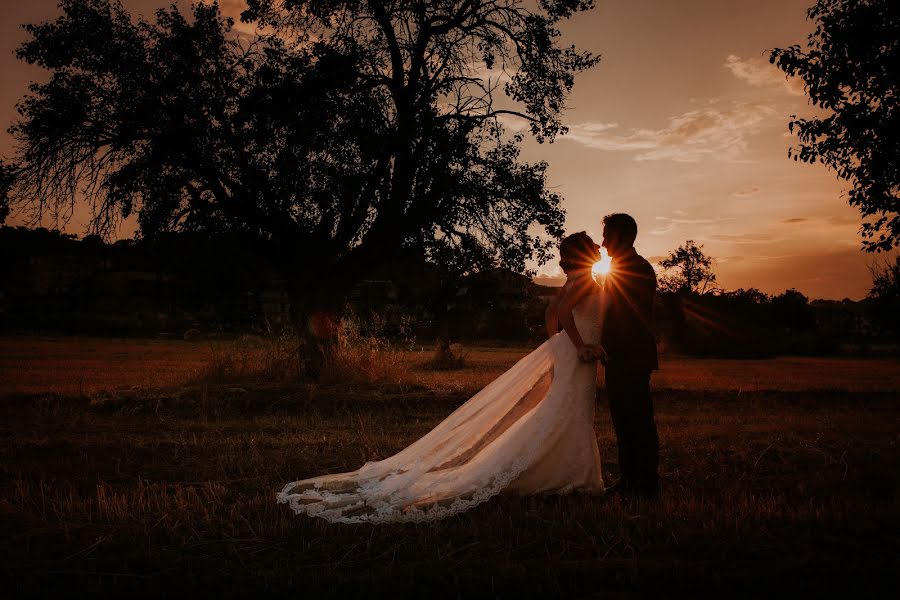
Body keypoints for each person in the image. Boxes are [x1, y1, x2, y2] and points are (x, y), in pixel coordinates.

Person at [277, 232, 607, 523]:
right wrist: (581, 347)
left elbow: (552, 313)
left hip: (565, 350)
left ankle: (561, 468)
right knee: (570, 409)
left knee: (558, 409)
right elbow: (562, 314)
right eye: (594, 246)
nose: (599, 250)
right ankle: (572, 474)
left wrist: (555, 345)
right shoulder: (589, 280)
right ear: (586, 253)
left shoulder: (573, 280)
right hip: (578, 352)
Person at [598, 213, 660, 499]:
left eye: (607, 236)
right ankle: (630, 479)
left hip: (629, 355)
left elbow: (622, 315)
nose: (603, 243)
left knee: (636, 421)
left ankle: (644, 483)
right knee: (625, 421)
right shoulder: (624, 266)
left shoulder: (634, 268)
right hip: (623, 354)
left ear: (622, 237)